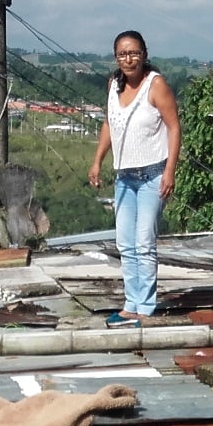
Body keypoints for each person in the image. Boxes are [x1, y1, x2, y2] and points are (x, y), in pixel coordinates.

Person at [88, 30, 181, 327]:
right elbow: (109, 123)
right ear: (116, 57)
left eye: (134, 53)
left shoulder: (156, 85)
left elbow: (174, 127)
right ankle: (131, 304)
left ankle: (146, 307)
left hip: (152, 175)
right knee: (125, 244)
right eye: (122, 54)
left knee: (144, 242)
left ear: (144, 54)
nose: (129, 59)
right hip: (125, 177)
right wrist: (98, 160)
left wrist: (170, 171)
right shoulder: (113, 85)